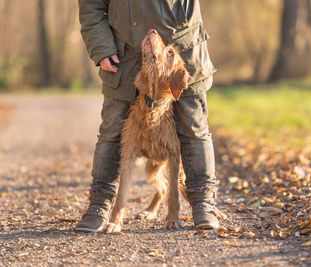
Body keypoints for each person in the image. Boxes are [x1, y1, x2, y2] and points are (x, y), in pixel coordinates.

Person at [75, 0, 219, 232]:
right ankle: (99, 205)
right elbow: (91, 5)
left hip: (183, 48)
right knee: (112, 131)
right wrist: (101, 47)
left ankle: (204, 201)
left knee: (194, 127)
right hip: (123, 54)